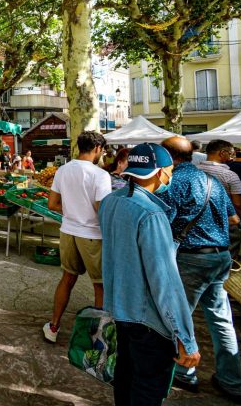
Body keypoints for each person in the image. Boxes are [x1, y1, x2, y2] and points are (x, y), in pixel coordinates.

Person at [98, 143, 200, 405]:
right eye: (169, 170)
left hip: (121, 310)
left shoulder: (111, 202)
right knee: (146, 388)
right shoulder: (151, 214)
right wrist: (185, 337)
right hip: (148, 322)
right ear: (158, 173)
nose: (170, 176)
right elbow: (164, 281)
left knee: (125, 377)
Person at [159, 137, 241, 402]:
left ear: (168, 157)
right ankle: (232, 381)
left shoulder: (173, 183)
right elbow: (234, 219)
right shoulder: (213, 182)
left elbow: (161, 221)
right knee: (221, 320)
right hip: (220, 258)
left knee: (179, 318)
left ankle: (185, 373)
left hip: (192, 258)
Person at [43, 131, 110, 343]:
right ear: (98, 149)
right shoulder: (100, 175)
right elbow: (102, 209)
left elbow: (52, 204)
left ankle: (53, 326)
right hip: (92, 235)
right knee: (100, 285)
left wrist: (72, 212)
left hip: (68, 232)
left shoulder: (63, 170)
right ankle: (99, 334)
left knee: (67, 278)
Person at [197, 140, 241, 257]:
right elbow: (239, 204)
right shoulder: (229, 175)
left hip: (198, 223)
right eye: (231, 154)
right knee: (228, 260)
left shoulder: (194, 170)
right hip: (226, 223)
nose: (232, 157)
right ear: (223, 153)